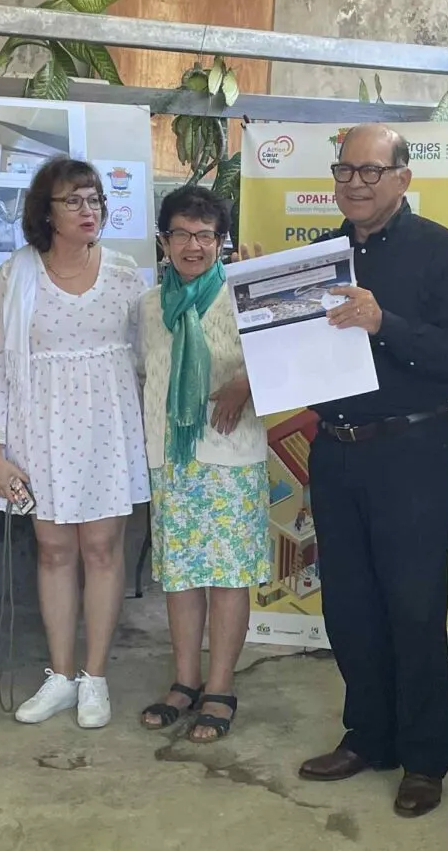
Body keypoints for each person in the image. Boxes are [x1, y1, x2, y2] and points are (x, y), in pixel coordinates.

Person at [290, 123, 448, 817]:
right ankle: (368, 736)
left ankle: (424, 758)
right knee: (348, 603)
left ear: (404, 176)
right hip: (335, 451)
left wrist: (384, 323)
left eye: (370, 171)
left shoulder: (444, 254)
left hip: (412, 452)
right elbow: (298, 358)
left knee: (414, 606)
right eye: (345, 170)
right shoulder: (319, 257)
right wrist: (261, 309)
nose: (355, 183)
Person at [0, 157, 149, 729]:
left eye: (94, 199)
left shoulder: (124, 273)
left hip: (107, 428)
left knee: (102, 550)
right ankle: (60, 675)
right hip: (40, 430)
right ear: (46, 212)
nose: (88, 210)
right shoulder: (15, 275)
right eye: (73, 200)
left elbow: (147, 357)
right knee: (53, 551)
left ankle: (94, 678)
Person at [136, 185, 268, 742]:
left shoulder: (244, 291)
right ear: (163, 240)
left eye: (205, 235)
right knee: (180, 575)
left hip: (231, 455)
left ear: (222, 241)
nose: (193, 246)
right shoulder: (149, 306)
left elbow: (287, 358)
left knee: (228, 577)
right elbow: (144, 375)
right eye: (181, 234)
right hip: (171, 457)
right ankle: (185, 681)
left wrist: (244, 382)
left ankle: (220, 688)